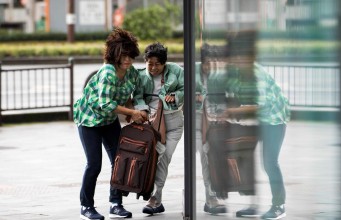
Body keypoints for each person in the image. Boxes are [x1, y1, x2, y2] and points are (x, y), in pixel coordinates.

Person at [73, 27, 147, 220]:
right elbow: (106, 104)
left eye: (131, 56)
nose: (128, 60)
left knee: (119, 161)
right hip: (89, 120)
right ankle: (86, 206)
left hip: (109, 121)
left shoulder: (132, 74)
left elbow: (136, 95)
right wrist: (131, 112)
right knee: (94, 164)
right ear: (115, 54)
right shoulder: (108, 72)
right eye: (124, 56)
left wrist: (137, 110)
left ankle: (116, 204)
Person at [223, 30, 290, 219]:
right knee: (247, 159)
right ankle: (253, 204)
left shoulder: (257, 74)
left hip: (274, 121)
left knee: (269, 163)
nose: (235, 60)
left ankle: (279, 206)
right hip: (257, 120)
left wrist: (231, 111)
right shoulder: (237, 72)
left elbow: (259, 105)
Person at [132, 42, 184, 215]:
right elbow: (138, 96)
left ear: (164, 63)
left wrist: (175, 96)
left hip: (174, 124)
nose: (153, 68)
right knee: (154, 159)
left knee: (164, 159)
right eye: (149, 63)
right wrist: (143, 110)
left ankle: (153, 198)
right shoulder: (141, 76)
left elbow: (186, 88)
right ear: (145, 61)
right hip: (153, 124)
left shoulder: (176, 71)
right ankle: (156, 200)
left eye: (157, 64)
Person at [195, 43, 227, 214]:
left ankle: (211, 197)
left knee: (210, 158)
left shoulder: (218, 75)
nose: (211, 66)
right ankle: (210, 198)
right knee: (205, 156)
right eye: (208, 62)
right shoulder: (193, 72)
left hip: (212, 123)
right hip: (195, 122)